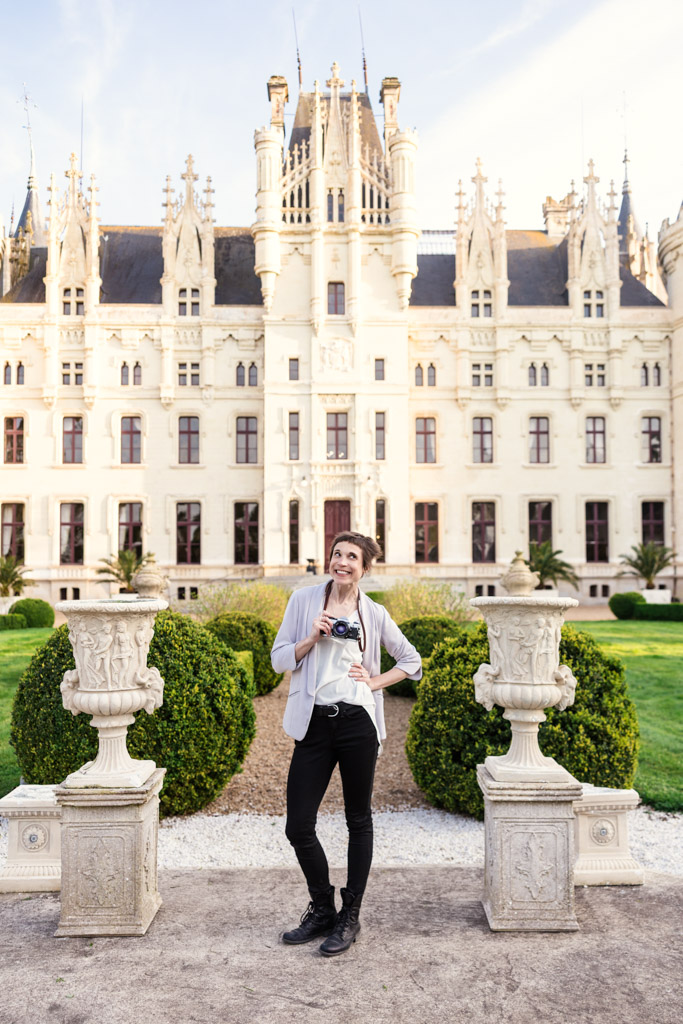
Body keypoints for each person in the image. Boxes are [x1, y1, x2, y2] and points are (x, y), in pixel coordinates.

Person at [271, 531, 422, 957]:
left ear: (364, 568)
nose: (342, 561)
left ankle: (350, 917)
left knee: (359, 820)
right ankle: (322, 909)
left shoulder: (373, 612)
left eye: (351, 557)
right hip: (314, 724)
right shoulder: (303, 601)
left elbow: (412, 662)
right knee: (298, 824)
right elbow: (278, 657)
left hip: (357, 723)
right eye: (337, 553)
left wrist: (374, 681)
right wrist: (311, 638)